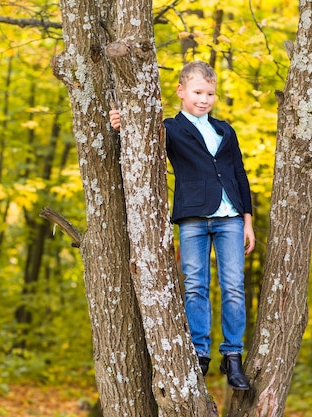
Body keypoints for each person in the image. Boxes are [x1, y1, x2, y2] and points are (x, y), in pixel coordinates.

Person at [109, 61, 255, 390]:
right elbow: (142, 143)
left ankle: (232, 356)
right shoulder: (171, 128)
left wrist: (247, 220)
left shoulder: (225, 130)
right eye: (198, 92)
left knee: (233, 286)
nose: (204, 99)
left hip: (230, 218)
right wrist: (122, 125)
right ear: (181, 91)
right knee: (196, 287)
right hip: (192, 218)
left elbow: (239, 174)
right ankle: (200, 353)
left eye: (210, 93)